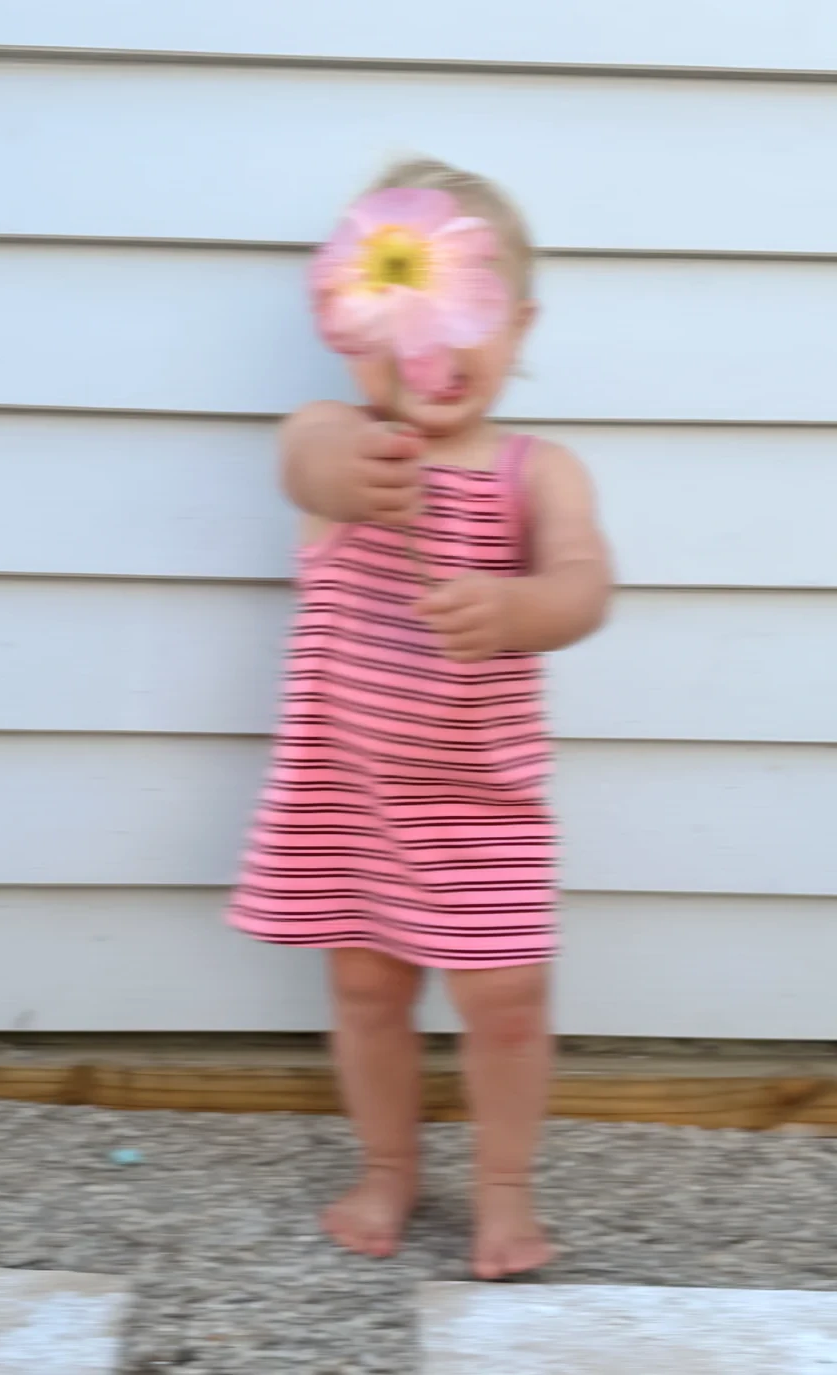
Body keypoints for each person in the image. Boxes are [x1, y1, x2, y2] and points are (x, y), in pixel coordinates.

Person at [228, 158, 611, 1279]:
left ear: (519, 323)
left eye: (471, 307)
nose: (438, 342)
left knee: (503, 998)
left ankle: (502, 1186)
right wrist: (346, 471)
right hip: (347, 801)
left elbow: (586, 584)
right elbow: (299, 461)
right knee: (363, 988)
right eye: (405, 309)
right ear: (354, 325)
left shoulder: (538, 473)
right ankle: (389, 1165)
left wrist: (519, 605)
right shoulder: (340, 442)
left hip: (477, 801)